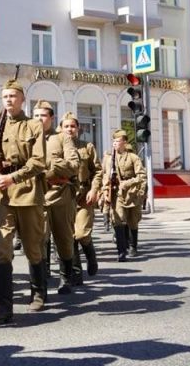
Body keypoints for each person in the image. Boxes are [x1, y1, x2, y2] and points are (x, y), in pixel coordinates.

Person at [0, 79, 45, 326]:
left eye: (13, 96)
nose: (8, 100)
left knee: (32, 247)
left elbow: (38, 162)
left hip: (27, 193)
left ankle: (38, 293)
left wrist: (12, 178)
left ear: (22, 99)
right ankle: (4, 307)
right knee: (2, 248)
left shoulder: (33, 126)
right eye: (5, 96)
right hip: (2, 197)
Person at [34, 101, 79, 296]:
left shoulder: (62, 139)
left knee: (64, 239)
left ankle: (66, 279)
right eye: (35, 116)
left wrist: (51, 166)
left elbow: (74, 165)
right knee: (38, 240)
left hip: (61, 195)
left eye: (42, 116)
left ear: (51, 118)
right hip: (37, 197)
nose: (38, 119)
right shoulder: (29, 138)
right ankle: (41, 282)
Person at [60, 113, 102, 285]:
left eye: (73, 126)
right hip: (64, 195)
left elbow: (98, 171)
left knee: (81, 233)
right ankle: (76, 274)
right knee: (69, 236)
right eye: (66, 126)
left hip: (84, 195)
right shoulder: (57, 147)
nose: (70, 129)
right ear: (61, 128)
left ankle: (91, 257)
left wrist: (94, 189)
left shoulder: (87, 147)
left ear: (78, 129)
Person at [97, 130, 147, 262]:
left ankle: (133, 246)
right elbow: (104, 175)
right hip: (116, 193)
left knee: (132, 220)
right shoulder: (108, 158)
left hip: (131, 193)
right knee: (117, 219)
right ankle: (121, 250)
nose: (114, 143)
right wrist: (103, 191)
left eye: (117, 141)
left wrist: (127, 183)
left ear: (124, 142)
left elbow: (141, 176)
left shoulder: (133, 158)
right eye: (113, 141)